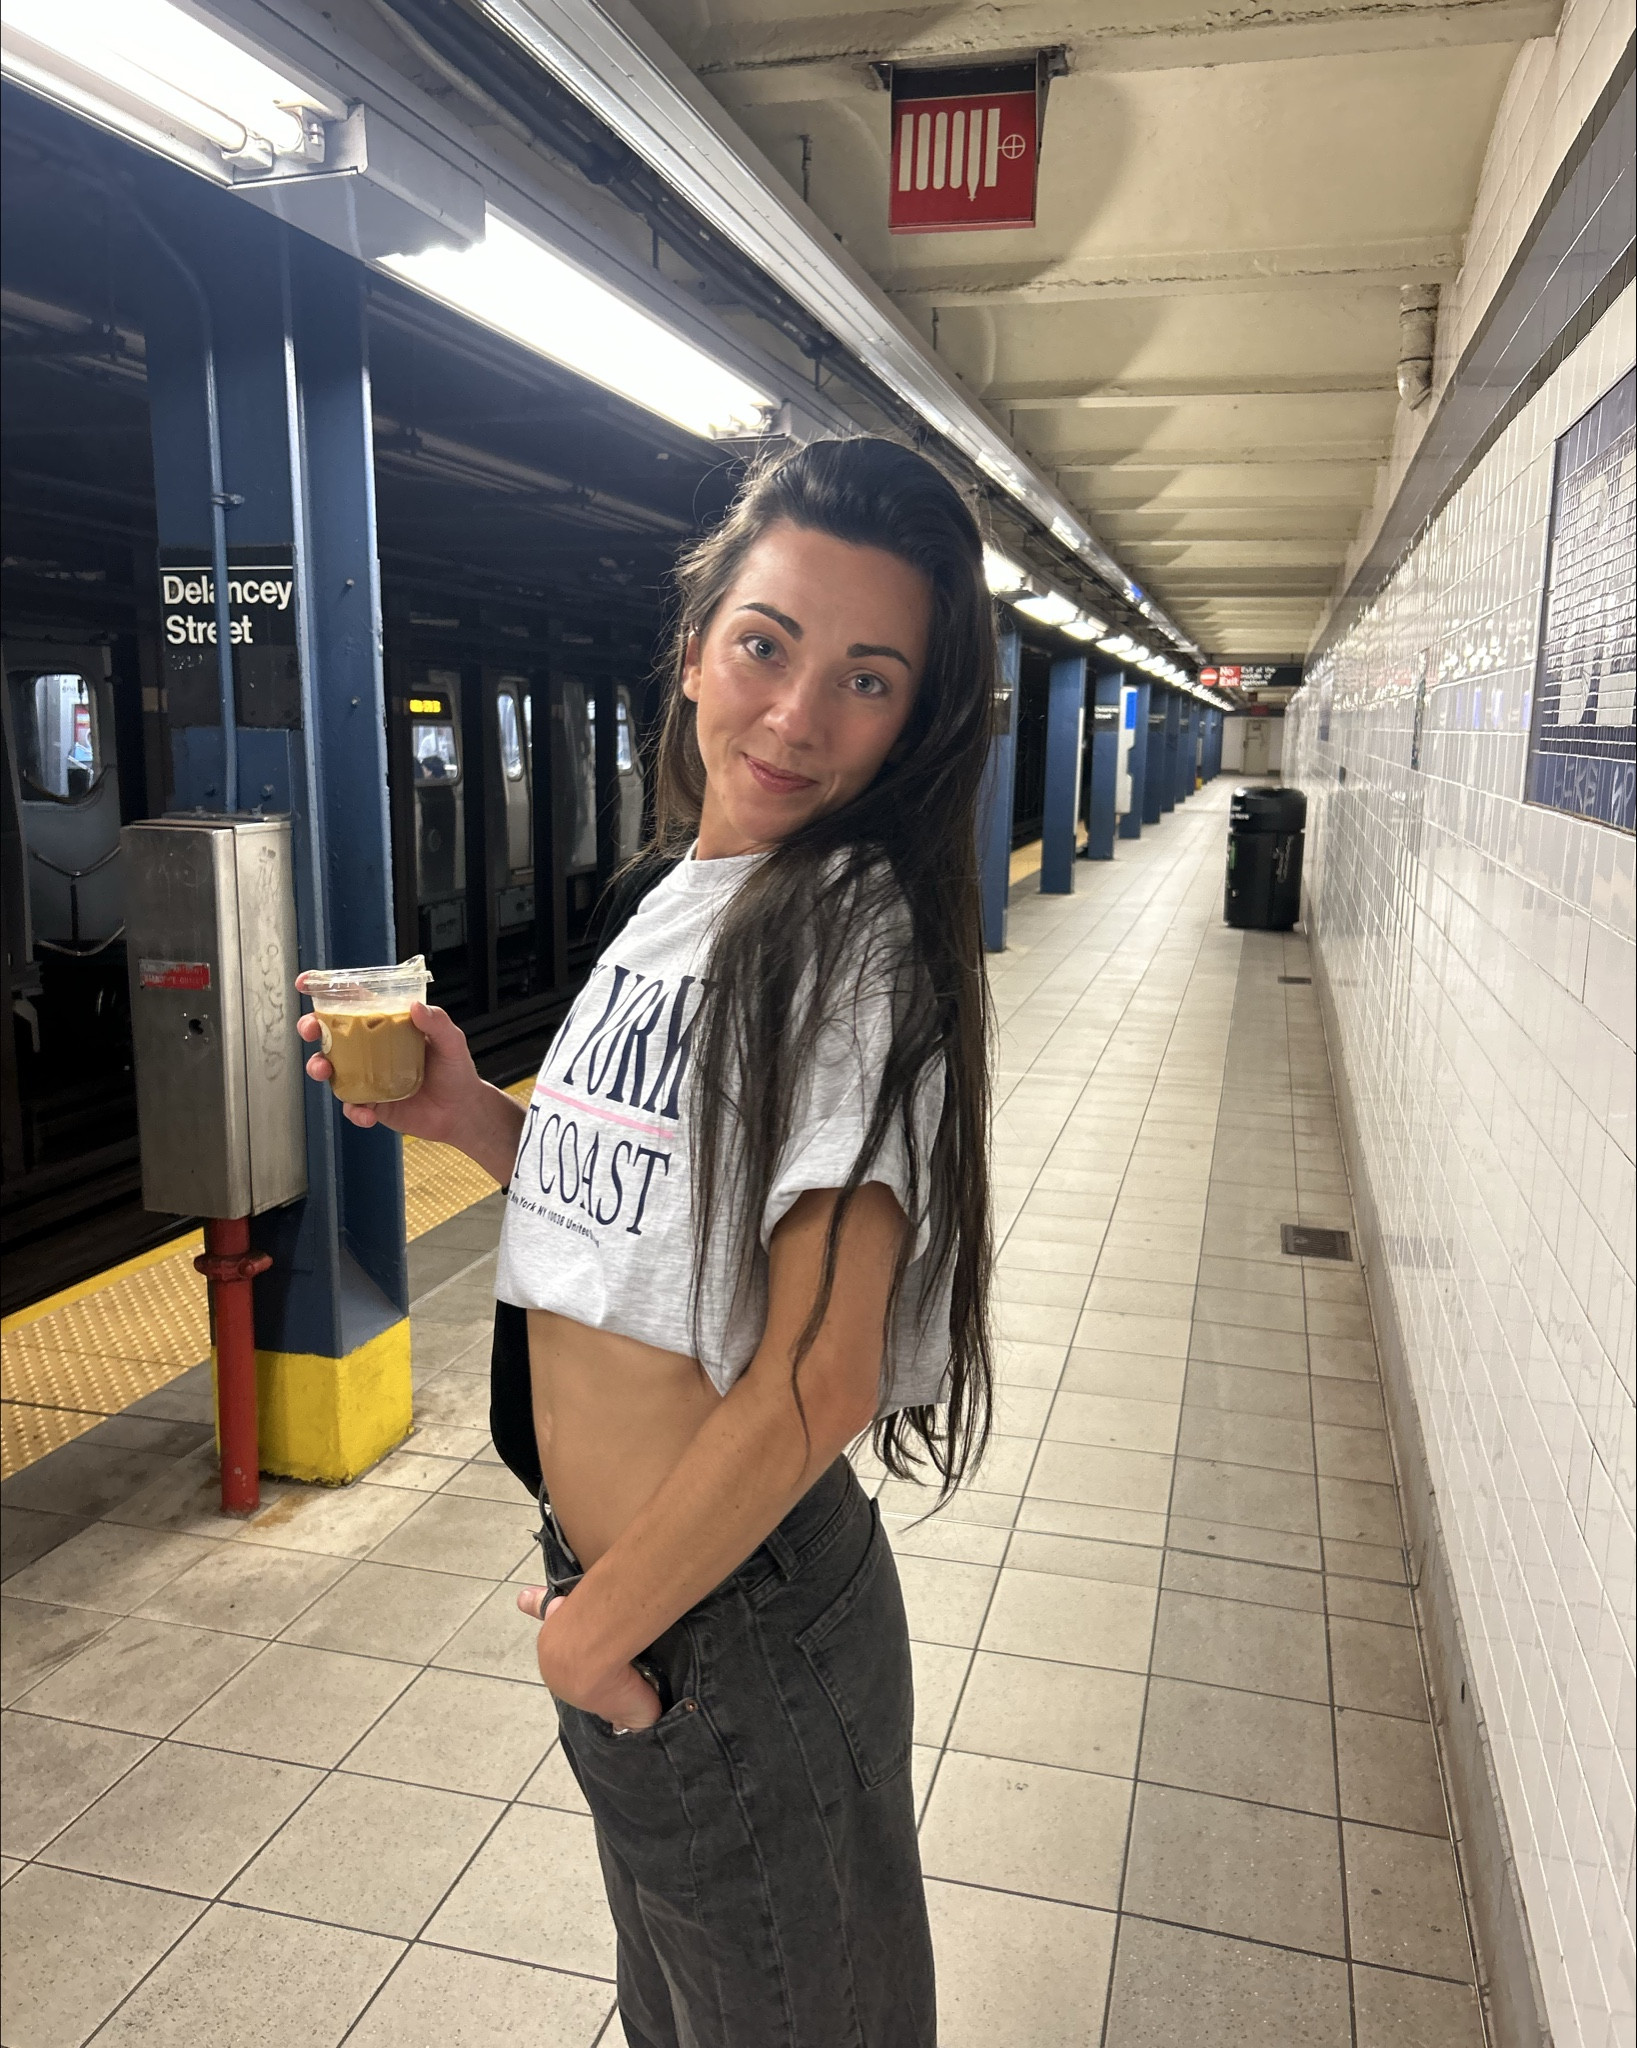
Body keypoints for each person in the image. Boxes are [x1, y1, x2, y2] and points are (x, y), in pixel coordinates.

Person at [298, 436, 997, 2047]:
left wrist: (605, 1645)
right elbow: (652, 1223)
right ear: (695, 652)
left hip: (720, 1620)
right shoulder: (682, 900)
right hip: (651, 1606)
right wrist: (477, 1119)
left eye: (866, 678)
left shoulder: (847, 941)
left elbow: (823, 1373)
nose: (797, 714)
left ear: (916, 719)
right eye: (766, 644)